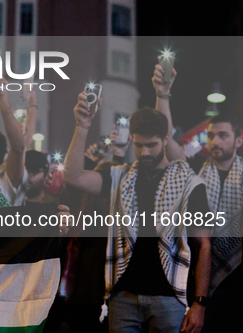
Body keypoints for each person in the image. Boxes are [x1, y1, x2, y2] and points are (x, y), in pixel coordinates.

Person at [63, 93, 211, 333]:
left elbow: (203, 244)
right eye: (139, 145)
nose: (144, 153)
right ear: (131, 139)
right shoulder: (119, 176)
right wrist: (82, 125)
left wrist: (200, 303)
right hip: (123, 297)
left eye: (151, 145)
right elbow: (72, 177)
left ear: (165, 139)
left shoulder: (189, 183)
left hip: (170, 298)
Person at [153, 62, 243, 332]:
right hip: (199, 281)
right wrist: (163, 94)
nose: (215, 141)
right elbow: (168, 142)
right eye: (211, 136)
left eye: (223, 136)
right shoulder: (195, 174)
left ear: (238, 141)